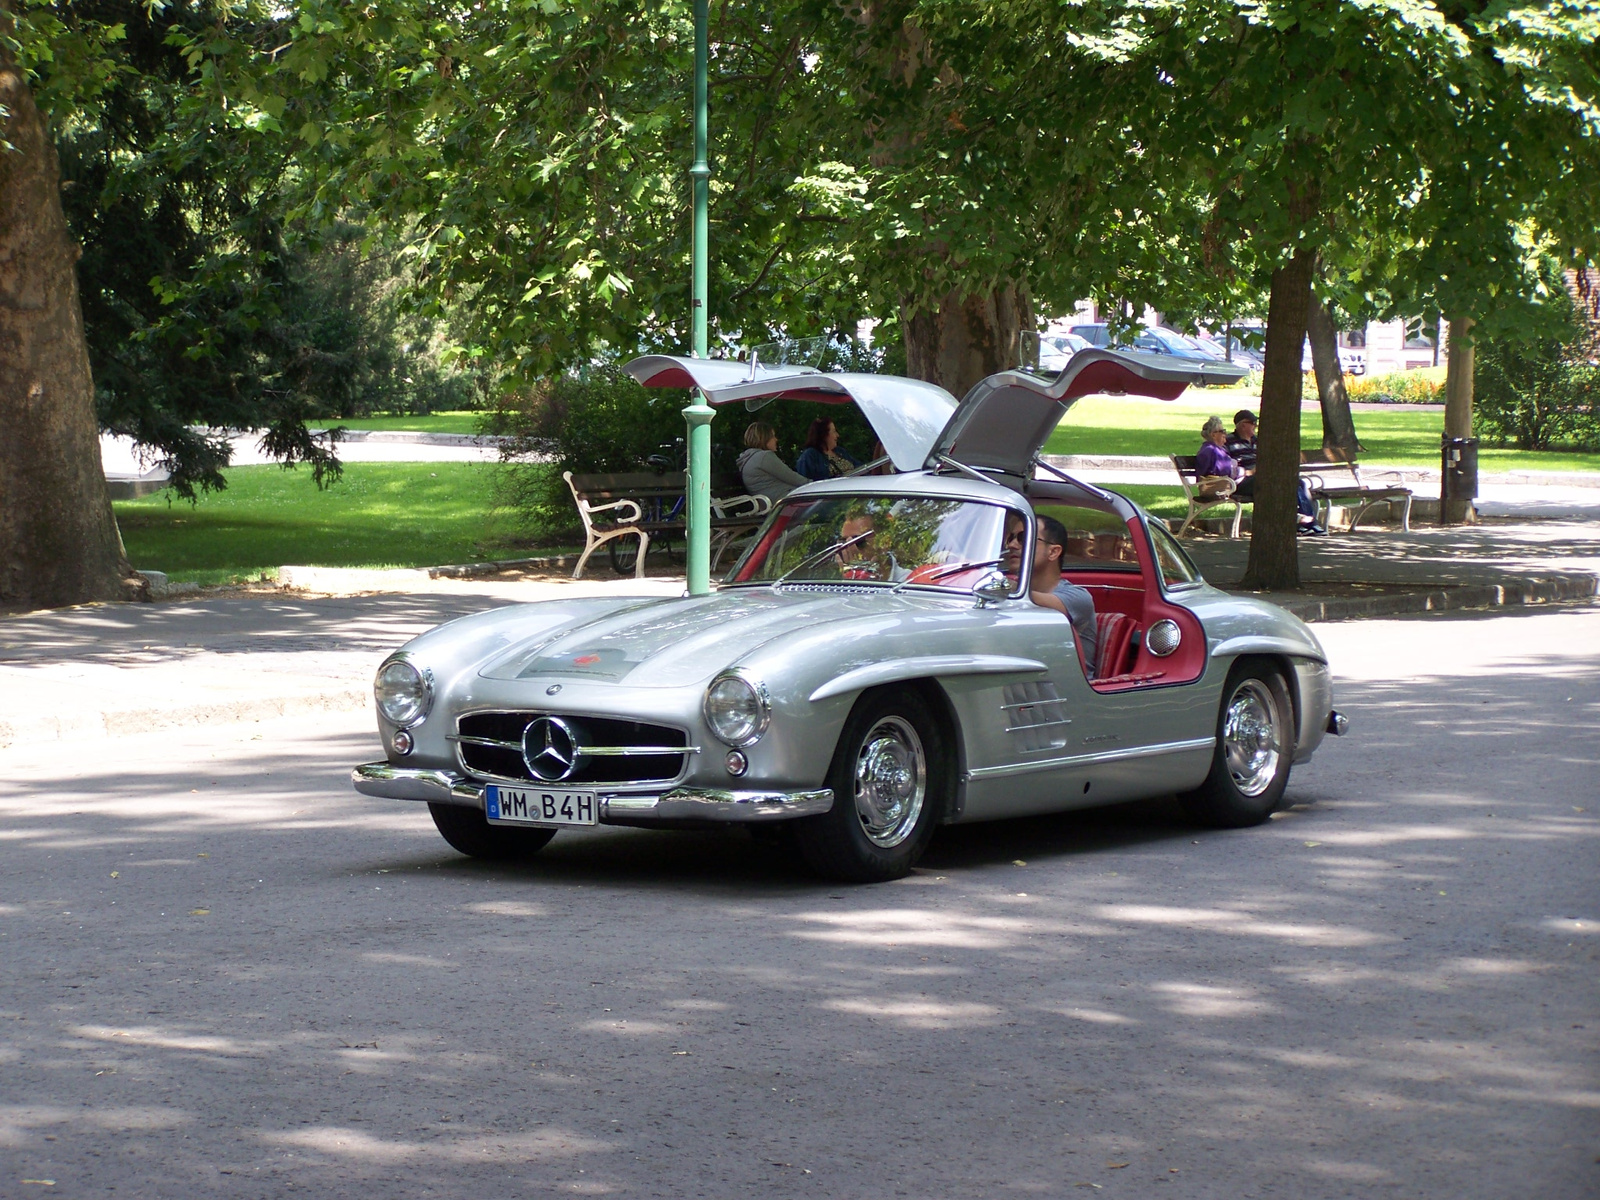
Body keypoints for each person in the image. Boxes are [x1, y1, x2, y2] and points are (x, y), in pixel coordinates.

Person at [1001, 511, 1098, 673]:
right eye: (1010, 538)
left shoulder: (1077, 597)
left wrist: (999, 585)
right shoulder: (1010, 593)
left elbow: (1033, 600)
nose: (1012, 545)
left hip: (1070, 691)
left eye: (1023, 538)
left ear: (1053, 552)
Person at [1224, 408, 1324, 534]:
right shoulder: (1229, 441)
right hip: (1244, 480)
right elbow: (1227, 465)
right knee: (1279, 484)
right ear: (1243, 425)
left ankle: (1307, 523)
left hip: (1266, 476)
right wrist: (1249, 471)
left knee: (1298, 483)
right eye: (1253, 423)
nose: (1256, 426)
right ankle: (1306, 523)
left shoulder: (1258, 441)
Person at [737, 421, 809, 503]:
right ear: (764, 438)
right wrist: (813, 484)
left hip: (773, 502)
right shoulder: (764, 457)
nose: (776, 439)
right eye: (773, 436)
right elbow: (792, 477)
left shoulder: (750, 458)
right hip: (784, 503)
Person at [795, 417, 859, 481]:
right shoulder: (810, 456)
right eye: (834, 431)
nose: (837, 435)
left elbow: (860, 468)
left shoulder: (840, 451)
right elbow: (804, 484)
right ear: (824, 435)